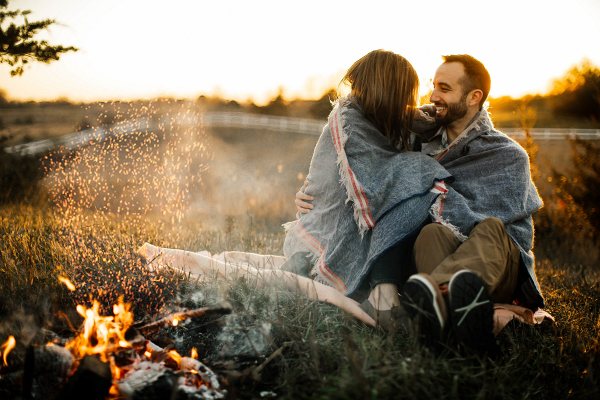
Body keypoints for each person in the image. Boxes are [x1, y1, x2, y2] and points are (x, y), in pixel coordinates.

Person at [297, 55, 545, 353]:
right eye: (433, 86)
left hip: (494, 263)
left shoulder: (507, 154)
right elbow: (372, 176)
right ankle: (453, 317)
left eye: (444, 88)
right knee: (431, 233)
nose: (433, 96)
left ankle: (427, 298)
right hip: (440, 252)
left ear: (473, 97)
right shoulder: (417, 139)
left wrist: (440, 199)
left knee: (490, 229)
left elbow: (506, 227)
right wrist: (320, 194)